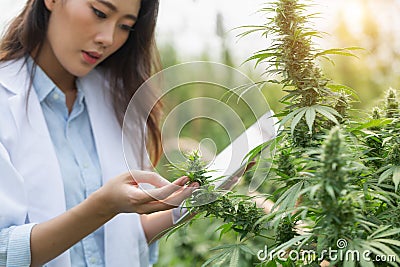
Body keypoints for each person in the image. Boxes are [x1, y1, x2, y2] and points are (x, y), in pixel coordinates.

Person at [0, 0, 198, 266]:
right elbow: (5, 251)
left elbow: (126, 238)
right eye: (99, 13)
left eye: (125, 26)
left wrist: (190, 200)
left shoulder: (118, 99)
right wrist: (102, 207)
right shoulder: (5, 98)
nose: (108, 38)